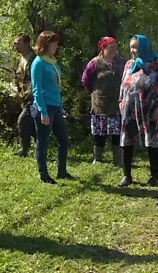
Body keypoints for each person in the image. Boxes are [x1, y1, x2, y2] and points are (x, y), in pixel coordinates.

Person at [118, 34, 158, 187]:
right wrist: (120, 101)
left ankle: (154, 175)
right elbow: (123, 84)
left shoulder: (157, 65)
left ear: (144, 47)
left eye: (136, 47)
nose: (133, 50)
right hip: (129, 108)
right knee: (127, 141)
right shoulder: (129, 64)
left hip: (150, 109)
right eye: (131, 47)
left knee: (152, 141)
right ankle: (127, 175)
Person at [31, 30, 72, 183]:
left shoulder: (52, 61)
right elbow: (37, 89)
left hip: (55, 105)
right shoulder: (38, 63)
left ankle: (62, 171)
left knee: (64, 140)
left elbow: (56, 86)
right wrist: (43, 112)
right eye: (54, 43)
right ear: (45, 44)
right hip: (44, 107)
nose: (56, 46)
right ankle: (44, 175)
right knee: (42, 142)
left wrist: (60, 106)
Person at [81, 36, 122, 166]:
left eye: (116, 47)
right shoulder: (95, 63)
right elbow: (85, 80)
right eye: (111, 47)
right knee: (100, 131)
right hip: (100, 103)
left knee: (116, 132)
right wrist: (95, 92)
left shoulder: (121, 62)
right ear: (103, 48)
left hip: (117, 102)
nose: (114, 50)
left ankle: (117, 159)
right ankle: (97, 158)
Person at [12, 33, 37, 157]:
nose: (15, 46)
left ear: (27, 44)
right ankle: (39, 148)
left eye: (18, 43)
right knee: (32, 124)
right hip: (23, 97)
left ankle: (24, 149)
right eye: (14, 43)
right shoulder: (19, 59)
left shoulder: (34, 59)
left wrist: (28, 95)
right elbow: (16, 77)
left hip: (32, 98)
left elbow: (35, 80)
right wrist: (16, 90)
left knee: (22, 121)